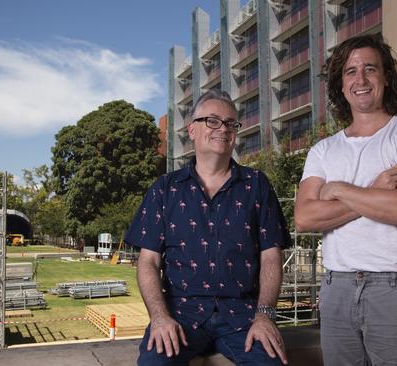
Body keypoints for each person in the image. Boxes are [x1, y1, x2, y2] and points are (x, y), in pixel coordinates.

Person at [294, 35, 397, 365]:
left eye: (370, 69)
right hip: (337, 288)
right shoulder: (323, 150)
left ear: (386, 77)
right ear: (341, 84)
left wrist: (339, 189)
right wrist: (376, 190)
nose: (360, 80)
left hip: (394, 289)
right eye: (350, 71)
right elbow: (304, 217)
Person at [125, 89, 291, 366]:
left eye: (230, 123)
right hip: (181, 314)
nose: (223, 129)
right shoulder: (164, 190)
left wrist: (265, 316)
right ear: (191, 130)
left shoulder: (257, 185)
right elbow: (149, 262)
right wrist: (159, 317)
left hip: (244, 315)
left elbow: (271, 256)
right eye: (212, 121)